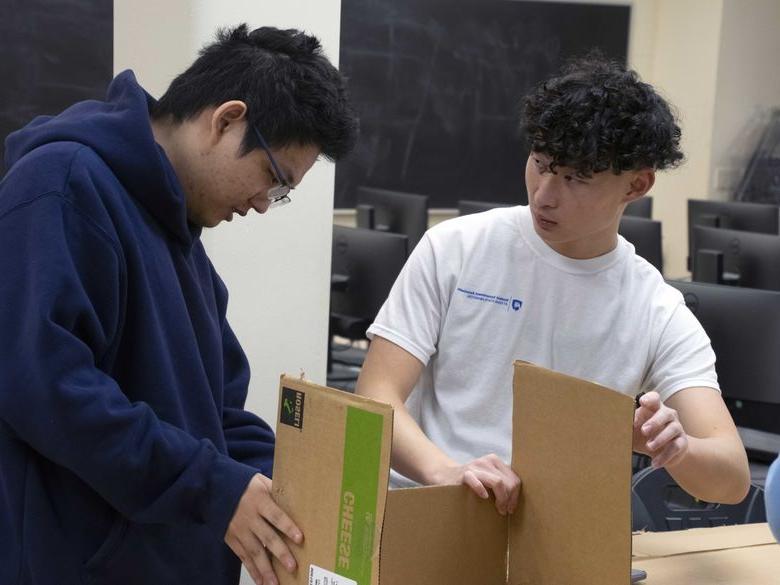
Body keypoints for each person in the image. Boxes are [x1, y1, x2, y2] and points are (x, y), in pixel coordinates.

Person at [0, 24, 357, 585]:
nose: (265, 204)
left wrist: (293, 490)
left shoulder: (181, 234)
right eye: (273, 177)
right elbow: (46, 387)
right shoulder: (63, 186)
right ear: (226, 119)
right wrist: (211, 486)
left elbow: (219, 414)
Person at [356, 56, 750, 515]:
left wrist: (678, 448)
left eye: (576, 179)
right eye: (541, 164)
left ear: (636, 185)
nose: (545, 194)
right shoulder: (456, 248)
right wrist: (446, 471)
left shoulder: (655, 308)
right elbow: (375, 394)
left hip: (557, 535)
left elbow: (733, 478)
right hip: (432, 507)